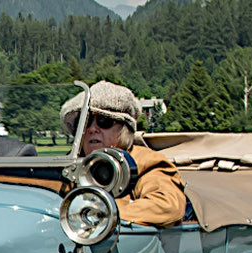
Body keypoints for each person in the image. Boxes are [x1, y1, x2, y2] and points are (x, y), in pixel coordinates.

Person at [60, 81, 187, 228]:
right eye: (85, 122)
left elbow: (168, 206)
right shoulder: (68, 166)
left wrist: (96, 213)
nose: (93, 129)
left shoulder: (144, 163)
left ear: (124, 130)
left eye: (104, 121)